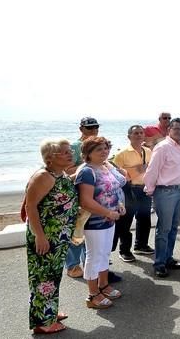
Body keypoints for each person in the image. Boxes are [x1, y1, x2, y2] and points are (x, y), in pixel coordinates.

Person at [25, 139, 78, 334]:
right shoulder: (44, 177)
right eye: (64, 152)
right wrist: (39, 236)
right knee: (42, 277)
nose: (70, 154)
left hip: (58, 236)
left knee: (52, 276)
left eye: (69, 150)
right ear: (49, 158)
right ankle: (43, 323)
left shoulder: (59, 174)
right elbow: (30, 207)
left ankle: (49, 313)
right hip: (46, 236)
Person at [75, 137, 125, 308]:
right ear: (87, 153)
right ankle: (92, 294)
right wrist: (108, 212)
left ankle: (103, 285)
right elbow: (86, 201)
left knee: (104, 254)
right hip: (94, 222)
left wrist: (119, 205)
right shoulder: (87, 172)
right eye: (98, 149)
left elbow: (113, 189)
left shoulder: (104, 167)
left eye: (105, 148)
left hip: (109, 220)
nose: (104, 152)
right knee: (93, 256)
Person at [144, 117, 180, 278]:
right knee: (164, 229)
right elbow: (152, 170)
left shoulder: (179, 146)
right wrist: (150, 190)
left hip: (178, 190)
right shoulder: (162, 147)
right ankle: (159, 263)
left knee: (173, 228)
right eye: (176, 129)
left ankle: (168, 258)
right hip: (165, 192)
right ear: (169, 129)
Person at [110, 125, 154, 263]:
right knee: (126, 221)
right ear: (129, 136)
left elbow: (150, 170)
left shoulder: (148, 151)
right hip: (129, 189)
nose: (139, 135)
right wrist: (137, 170)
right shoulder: (122, 153)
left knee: (145, 219)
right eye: (135, 133)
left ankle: (141, 245)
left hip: (144, 189)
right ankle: (124, 250)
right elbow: (115, 174)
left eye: (141, 133)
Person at [64, 117, 99, 279]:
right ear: (81, 129)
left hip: (94, 194)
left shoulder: (98, 145)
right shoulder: (75, 147)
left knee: (90, 230)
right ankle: (72, 265)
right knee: (77, 229)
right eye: (89, 128)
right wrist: (88, 163)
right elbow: (66, 171)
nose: (93, 131)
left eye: (95, 127)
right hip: (77, 195)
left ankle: (89, 263)